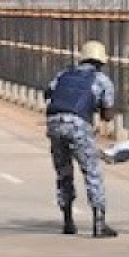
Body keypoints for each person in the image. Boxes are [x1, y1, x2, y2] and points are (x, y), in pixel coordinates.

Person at [44, 40, 117, 238]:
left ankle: (68, 220)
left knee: (64, 173)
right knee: (92, 172)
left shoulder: (63, 74)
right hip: (78, 125)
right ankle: (99, 223)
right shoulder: (102, 80)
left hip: (54, 123)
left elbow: (48, 94)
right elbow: (107, 115)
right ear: (101, 61)